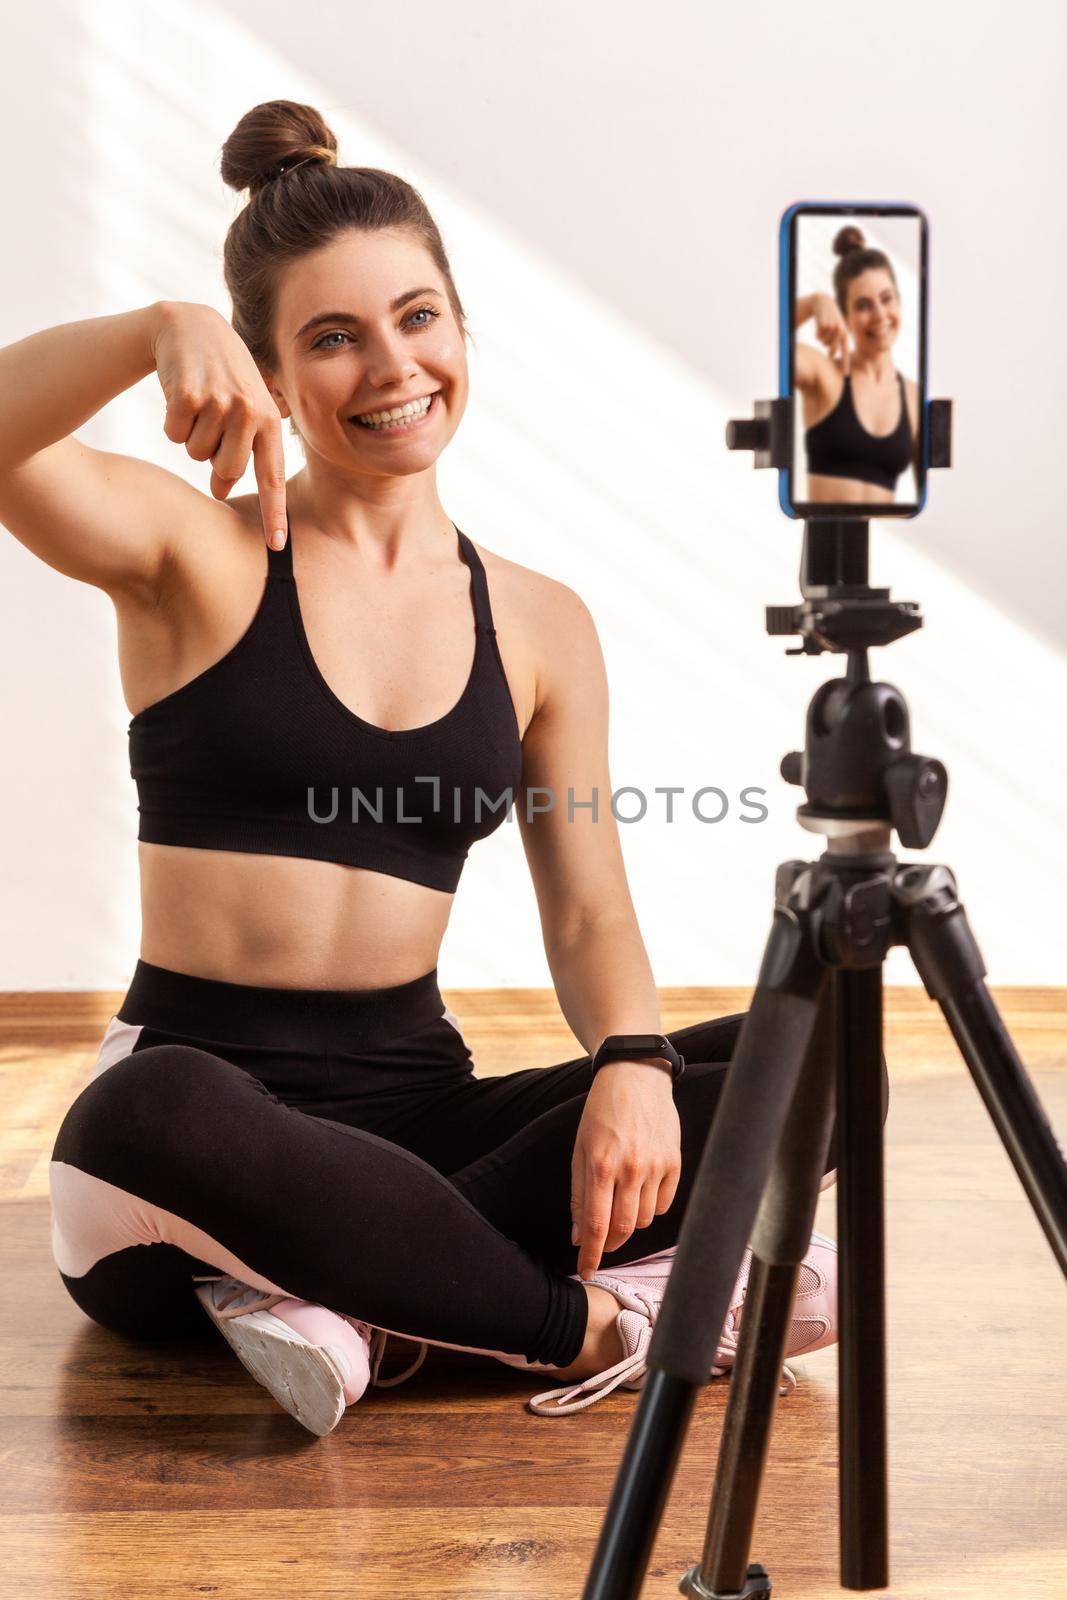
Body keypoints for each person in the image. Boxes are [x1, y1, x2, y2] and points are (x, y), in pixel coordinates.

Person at [2, 101, 883, 1436]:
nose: (389, 365)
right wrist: (143, 333)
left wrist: (634, 1063)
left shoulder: (536, 623)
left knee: (820, 1051)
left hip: (419, 1121)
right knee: (147, 1108)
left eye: (416, 318)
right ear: (267, 373)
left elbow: (587, 906)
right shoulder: (194, 559)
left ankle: (358, 1299)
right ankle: (585, 1321)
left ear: (462, 331)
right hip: (185, 1156)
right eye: (331, 338)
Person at [795, 225, 921, 504]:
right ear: (845, 317)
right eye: (863, 306)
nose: (879, 315)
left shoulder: (914, 397)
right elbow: (775, 344)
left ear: (899, 302)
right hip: (825, 546)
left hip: (884, 545)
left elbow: (932, 499)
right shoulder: (824, 374)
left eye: (887, 299)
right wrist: (815, 302)